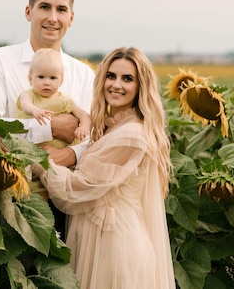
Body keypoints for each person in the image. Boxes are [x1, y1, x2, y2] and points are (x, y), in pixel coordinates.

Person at [30, 47, 175, 289]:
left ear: (141, 86)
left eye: (127, 79)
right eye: (111, 76)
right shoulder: (112, 127)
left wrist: (38, 160)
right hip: (101, 241)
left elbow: (78, 187)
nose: (116, 84)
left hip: (116, 247)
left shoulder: (132, 135)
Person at [0, 0, 95, 237]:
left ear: (71, 18)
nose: (53, 17)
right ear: (29, 12)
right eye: (44, 7)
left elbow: (98, 137)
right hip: (14, 194)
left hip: (72, 199)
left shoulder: (84, 74)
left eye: (61, 9)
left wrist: (71, 155)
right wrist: (52, 128)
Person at [17, 48, 91, 148]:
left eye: (52, 78)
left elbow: (83, 114)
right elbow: (25, 104)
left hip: (59, 152)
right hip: (31, 149)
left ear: (61, 80)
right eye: (41, 77)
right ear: (30, 79)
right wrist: (35, 110)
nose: (47, 83)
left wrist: (84, 127)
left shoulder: (65, 100)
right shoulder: (29, 95)